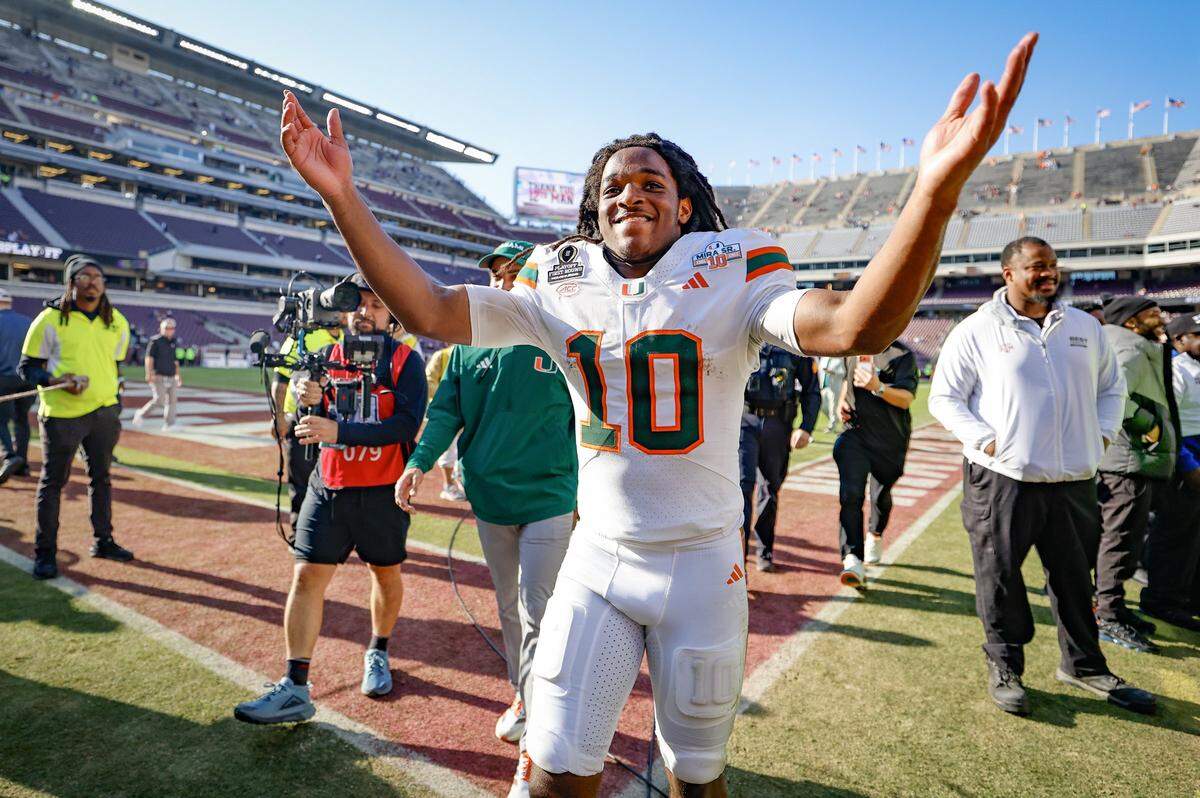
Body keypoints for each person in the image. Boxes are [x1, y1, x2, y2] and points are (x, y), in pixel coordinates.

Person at [278, 33, 1037, 794]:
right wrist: (341, 196)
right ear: (592, 210)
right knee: (551, 778)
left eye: (649, 181)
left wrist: (935, 188)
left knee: (697, 781)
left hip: (703, 562)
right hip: (598, 558)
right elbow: (433, 311)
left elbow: (854, 328)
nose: (628, 193)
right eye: (611, 186)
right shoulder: (555, 276)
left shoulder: (735, 266)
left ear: (683, 204)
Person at [930, 236, 1155, 717]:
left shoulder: (1083, 327)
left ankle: (1085, 665)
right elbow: (945, 398)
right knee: (1001, 580)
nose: (1048, 274)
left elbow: (1111, 388)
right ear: (1008, 273)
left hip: (1073, 479)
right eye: (1036, 266)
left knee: (1075, 580)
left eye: (1052, 266)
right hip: (1003, 479)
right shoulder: (976, 329)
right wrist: (987, 441)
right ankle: (1005, 666)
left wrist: (1100, 437)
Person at [396, 240, 577, 798]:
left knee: (538, 607)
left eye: (511, 271)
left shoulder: (561, 332)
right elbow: (446, 409)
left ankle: (541, 731)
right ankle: (525, 694)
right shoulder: (465, 345)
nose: (501, 281)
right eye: (495, 273)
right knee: (510, 609)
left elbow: (595, 411)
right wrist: (418, 463)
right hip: (491, 499)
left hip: (551, 495)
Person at [234, 273, 426, 723]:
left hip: (382, 490)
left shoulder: (406, 361)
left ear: (392, 314)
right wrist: (307, 401)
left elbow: (404, 426)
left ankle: (378, 649)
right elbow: (311, 424)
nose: (366, 311)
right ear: (343, 310)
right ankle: (295, 685)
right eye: (358, 303)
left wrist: (338, 429)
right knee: (305, 577)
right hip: (330, 486)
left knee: (385, 573)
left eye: (377, 304)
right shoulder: (323, 357)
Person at [19, 255, 133, 580]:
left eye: (98, 276)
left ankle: (104, 540)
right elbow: (27, 368)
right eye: (85, 276)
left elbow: (114, 364)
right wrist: (56, 381)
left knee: (102, 478)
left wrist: (114, 402)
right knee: (52, 483)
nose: (94, 281)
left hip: (104, 412)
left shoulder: (117, 321)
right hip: (62, 415)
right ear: (71, 283)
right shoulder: (49, 320)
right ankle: (45, 554)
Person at [1093, 296, 1175, 653]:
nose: (1161, 317)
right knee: (1120, 540)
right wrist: (1148, 426)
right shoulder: (1128, 348)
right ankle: (1107, 616)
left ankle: (1115, 607)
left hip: (1131, 460)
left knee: (1126, 539)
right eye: (1152, 313)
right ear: (1130, 321)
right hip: (1126, 461)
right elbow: (1113, 394)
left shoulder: (1134, 344)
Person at [833, 341, 918, 587]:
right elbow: (846, 383)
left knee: (880, 495)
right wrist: (842, 402)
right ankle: (852, 558)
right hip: (855, 435)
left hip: (890, 440)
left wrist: (877, 386)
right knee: (850, 495)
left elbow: (906, 399)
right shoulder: (852, 349)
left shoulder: (902, 355)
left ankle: (875, 533)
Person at [1140, 313, 1200, 631]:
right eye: (1197, 334)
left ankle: (1187, 597)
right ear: (1179, 340)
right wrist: (1188, 465)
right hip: (1184, 464)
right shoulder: (1175, 372)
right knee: (1174, 534)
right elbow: (1170, 427)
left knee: (1193, 537)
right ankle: (1162, 599)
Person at [739, 345, 819, 572]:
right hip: (744, 421)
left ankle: (765, 552)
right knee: (741, 489)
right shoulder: (744, 333)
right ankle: (738, 562)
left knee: (770, 490)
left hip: (778, 424)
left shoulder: (793, 342)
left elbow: (811, 389)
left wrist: (806, 427)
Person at [272, 322, 343, 527]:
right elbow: (281, 376)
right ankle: (299, 536)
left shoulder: (344, 338)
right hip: (299, 420)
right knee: (302, 483)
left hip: (331, 423)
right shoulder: (305, 335)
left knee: (331, 480)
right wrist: (278, 417)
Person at [422, 342, 466, 501]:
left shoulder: (444, 354)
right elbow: (428, 382)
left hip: (458, 409)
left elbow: (429, 381)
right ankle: (449, 485)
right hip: (447, 411)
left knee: (460, 449)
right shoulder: (443, 355)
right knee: (449, 449)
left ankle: (457, 481)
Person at [0, 288, 33, 483]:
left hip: (3, 378)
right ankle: (23, 465)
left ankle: (10, 456)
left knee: (1, 420)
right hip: (27, 379)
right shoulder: (27, 322)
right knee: (22, 420)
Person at [131, 317, 181, 429]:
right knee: (159, 400)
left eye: (172, 328)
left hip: (171, 375)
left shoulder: (174, 342)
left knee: (172, 401)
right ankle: (140, 414)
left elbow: (175, 360)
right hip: (159, 375)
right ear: (162, 328)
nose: (170, 330)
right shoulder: (155, 341)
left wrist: (178, 375)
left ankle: (169, 424)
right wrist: (149, 373)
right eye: (167, 327)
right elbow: (149, 358)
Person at [818, 355, 847, 432]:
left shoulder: (840, 358)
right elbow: (819, 370)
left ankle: (832, 425)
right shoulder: (824, 357)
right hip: (824, 385)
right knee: (822, 405)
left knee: (832, 406)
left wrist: (832, 372)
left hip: (835, 385)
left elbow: (843, 372)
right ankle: (835, 419)